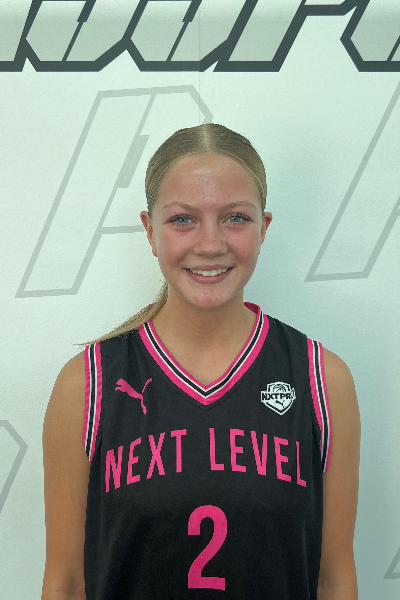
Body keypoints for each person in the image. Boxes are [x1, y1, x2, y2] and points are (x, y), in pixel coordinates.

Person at [41, 123, 361, 600]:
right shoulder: (87, 385)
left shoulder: (322, 379)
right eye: (182, 220)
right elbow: (66, 584)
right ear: (149, 231)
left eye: (235, 218)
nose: (210, 244)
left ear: (263, 228)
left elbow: (333, 579)